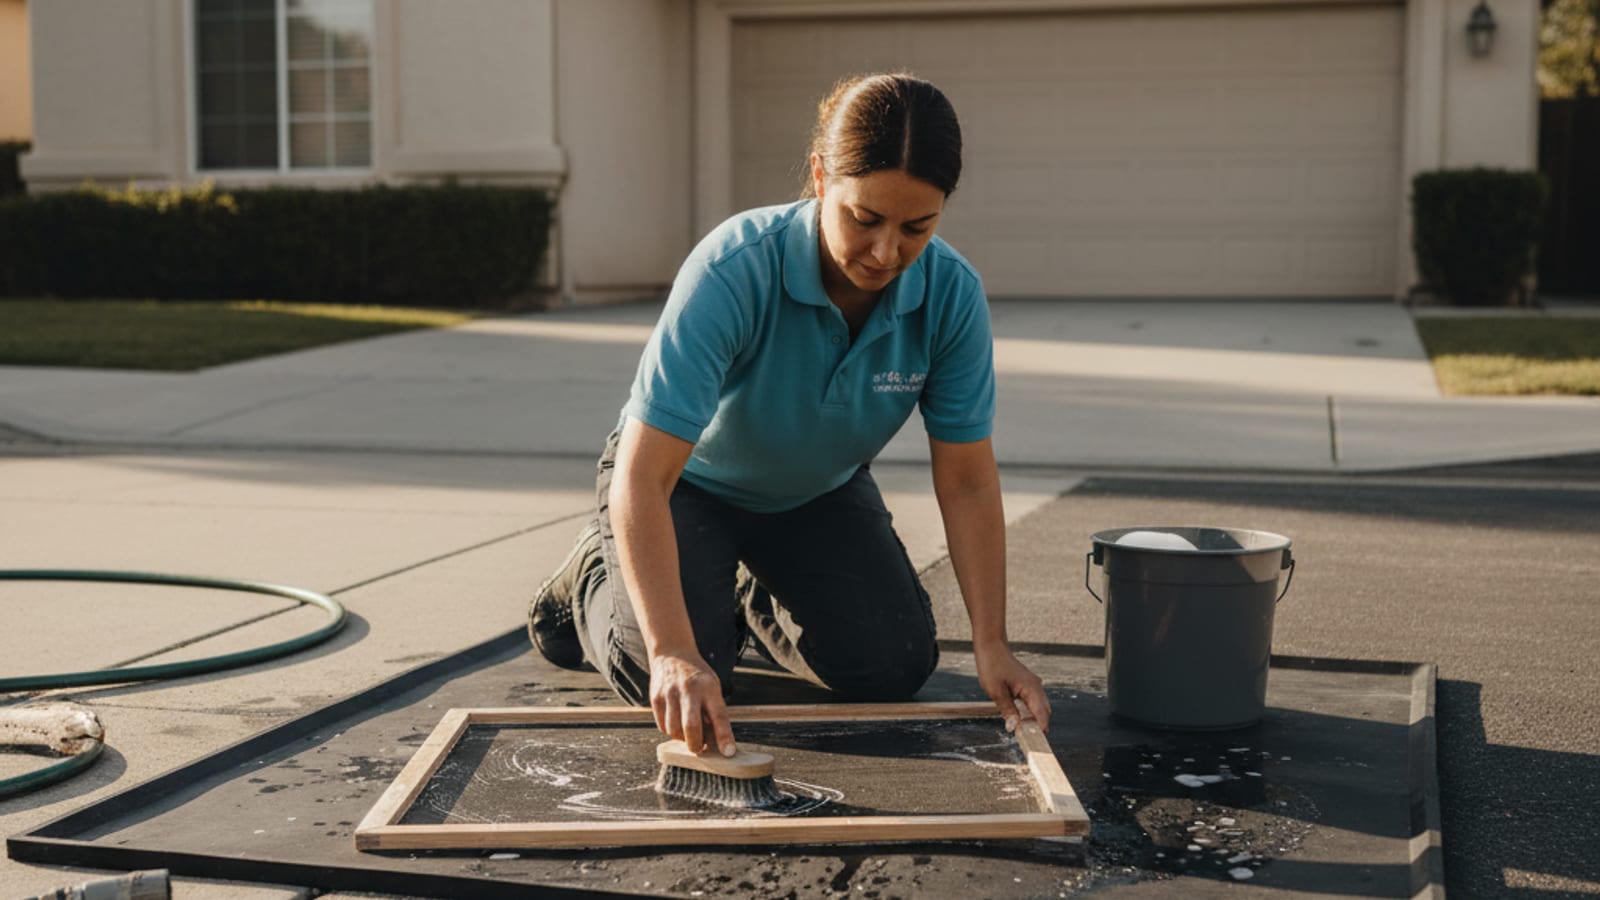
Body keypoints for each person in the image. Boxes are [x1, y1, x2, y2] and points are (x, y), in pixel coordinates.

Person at [529, 72, 1051, 759]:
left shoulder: (950, 295)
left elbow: (967, 481)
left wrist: (992, 646)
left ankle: (740, 592)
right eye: (864, 219)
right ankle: (595, 573)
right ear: (818, 177)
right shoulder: (731, 269)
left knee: (893, 667)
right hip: (685, 486)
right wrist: (674, 650)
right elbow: (642, 477)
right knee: (667, 674)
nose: (887, 253)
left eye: (916, 227)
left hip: (815, 493)